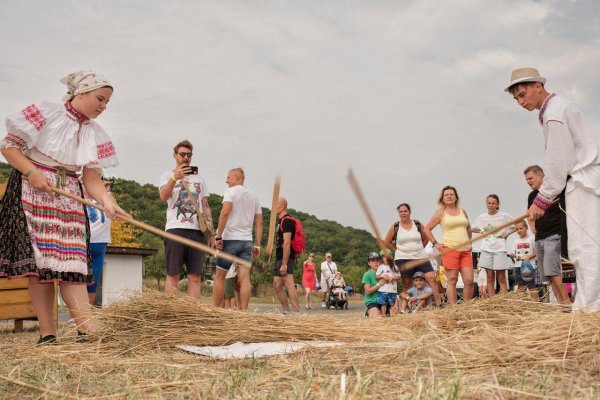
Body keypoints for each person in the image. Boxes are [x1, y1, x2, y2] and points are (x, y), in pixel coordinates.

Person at [0, 71, 125, 344]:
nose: (103, 106)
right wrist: (32, 171)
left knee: (73, 261)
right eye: (100, 99)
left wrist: (107, 202)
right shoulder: (48, 112)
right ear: (81, 93)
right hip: (32, 189)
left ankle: (86, 328)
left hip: (68, 193)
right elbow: (9, 147)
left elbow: (91, 178)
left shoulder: (95, 133)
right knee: (41, 265)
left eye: (107, 103)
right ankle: (47, 334)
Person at [507, 68, 600, 312]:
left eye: (523, 93)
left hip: (582, 183)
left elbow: (558, 161)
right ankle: (588, 304)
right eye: (516, 98)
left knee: (585, 247)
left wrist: (542, 199)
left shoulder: (555, 112)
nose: (520, 101)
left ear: (538, 85)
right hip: (578, 183)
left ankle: (590, 309)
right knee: (582, 248)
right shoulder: (553, 110)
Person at [159, 140, 214, 299]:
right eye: (182, 154)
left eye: (189, 155)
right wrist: (174, 178)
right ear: (175, 155)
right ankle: (169, 312)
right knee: (173, 274)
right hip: (175, 229)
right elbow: (163, 196)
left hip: (197, 230)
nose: (186, 158)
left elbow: (205, 206)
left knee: (195, 276)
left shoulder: (200, 179)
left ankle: (193, 314)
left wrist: (212, 234)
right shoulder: (166, 175)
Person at [213, 168, 262, 311]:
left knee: (220, 276)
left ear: (237, 177)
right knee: (244, 278)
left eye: (228, 177)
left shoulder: (230, 192)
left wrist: (218, 236)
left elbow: (225, 212)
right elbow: (259, 221)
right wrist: (257, 245)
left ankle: (216, 310)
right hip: (246, 241)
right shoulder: (254, 196)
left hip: (230, 240)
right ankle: (244, 311)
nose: (226, 180)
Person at [523, 165, 570, 306]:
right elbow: (529, 215)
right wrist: (533, 228)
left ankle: (567, 304)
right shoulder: (532, 196)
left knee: (554, 271)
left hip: (554, 235)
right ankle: (560, 305)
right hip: (539, 238)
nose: (528, 182)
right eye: (526, 180)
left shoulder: (554, 191)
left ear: (540, 176)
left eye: (530, 178)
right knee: (548, 275)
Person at [384, 203, 441, 312]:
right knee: (407, 283)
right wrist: (397, 251)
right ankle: (403, 309)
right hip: (403, 258)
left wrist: (421, 248)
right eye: (401, 211)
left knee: (431, 278)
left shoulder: (417, 224)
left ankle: (439, 305)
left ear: (409, 212)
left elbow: (426, 237)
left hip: (420, 256)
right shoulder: (395, 226)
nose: (403, 213)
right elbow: (387, 242)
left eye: (405, 211)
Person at [426, 186, 474, 305]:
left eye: (451, 194)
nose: (449, 196)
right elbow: (426, 229)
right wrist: (435, 243)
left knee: (469, 280)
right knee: (452, 280)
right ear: (442, 198)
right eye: (446, 195)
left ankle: (467, 306)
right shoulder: (440, 212)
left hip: (465, 250)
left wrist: (470, 241)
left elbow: (468, 228)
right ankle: (453, 308)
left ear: (456, 197)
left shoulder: (463, 211)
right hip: (450, 249)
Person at [472, 195, 515, 297]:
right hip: (486, 248)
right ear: (486, 204)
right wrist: (482, 232)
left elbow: (517, 225)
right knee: (490, 276)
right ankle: (491, 299)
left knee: (501, 277)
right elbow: (471, 228)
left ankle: (504, 298)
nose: (491, 205)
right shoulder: (482, 217)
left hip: (500, 248)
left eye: (493, 203)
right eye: (489, 203)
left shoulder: (503, 216)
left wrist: (507, 234)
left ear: (497, 205)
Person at [82, 178, 113, 305]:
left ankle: (88, 313)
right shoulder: (79, 199)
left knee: (93, 280)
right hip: (83, 244)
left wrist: (105, 191)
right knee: (79, 280)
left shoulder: (106, 200)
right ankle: (74, 316)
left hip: (100, 245)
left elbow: (114, 207)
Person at [272, 197, 300, 314]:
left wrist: (284, 263)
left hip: (285, 257)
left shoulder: (287, 221)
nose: (273, 206)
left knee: (288, 283)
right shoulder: (280, 221)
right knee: (277, 284)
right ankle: (286, 311)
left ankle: (296, 313)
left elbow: (287, 242)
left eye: (275, 204)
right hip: (279, 256)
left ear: (282, 206)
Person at [509, 221, 540, 301]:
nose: (519, 231)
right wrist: (513, 254)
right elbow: (514, 252)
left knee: (531, 286)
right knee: (520, 286)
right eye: (517, 229)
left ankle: (536, 303)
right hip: (518, 266)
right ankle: (522, 304)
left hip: (529, 266)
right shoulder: (515, 240)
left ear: (526, 228)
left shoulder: (532, 238)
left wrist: (529, 257)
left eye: (521, 228)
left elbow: (537, 252)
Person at [375, 251, 400, 316]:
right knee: (383, 303)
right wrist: (383, 276)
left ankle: (393, 315)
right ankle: (383, 315)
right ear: (382, 259)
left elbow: (399, 276)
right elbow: (377, 276)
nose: (385, 258)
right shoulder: (381, 267)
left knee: (392, 303)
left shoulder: (395, 267)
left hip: (392, 289)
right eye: (383, 257)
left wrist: (393, 277)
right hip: (383, 289)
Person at [362, 252, 385, 317]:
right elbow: (368, 291)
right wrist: (379, 283)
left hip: (385, 301)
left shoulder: (385, 273)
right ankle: (369, 311)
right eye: (373, 261)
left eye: (377, 260)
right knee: (378, 318)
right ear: (369, 263)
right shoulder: (367, 274)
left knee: (394, 316)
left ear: (380, 262)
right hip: (373, 301)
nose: (376, 262)